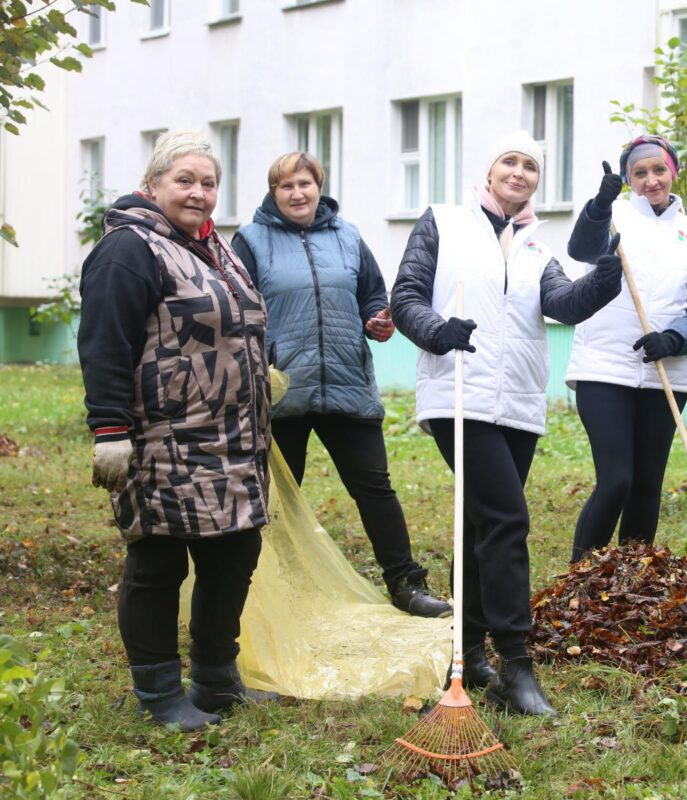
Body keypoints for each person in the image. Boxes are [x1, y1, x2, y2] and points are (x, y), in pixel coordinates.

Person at [390, 131, 621, 716]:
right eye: (509, 162)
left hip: (517, 400)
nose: (519, 172)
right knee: (507, 519)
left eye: (530, 166)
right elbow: (407, 295)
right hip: (458, 394)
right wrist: (438, 330)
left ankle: (469, 654)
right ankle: (517, 667)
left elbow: (563, 304)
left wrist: (607, 276)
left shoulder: (535, 245)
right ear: (489, 170)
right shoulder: (443, 222)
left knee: (482, 526)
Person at [78, 131, 278, 731]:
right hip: (164, 439)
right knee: (158, 564)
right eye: (184, 180)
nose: (198, 192)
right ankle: (159, 692)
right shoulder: (128, 249)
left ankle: (215, 678)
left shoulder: (215, 247)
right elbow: (104, 343)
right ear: (153, 183)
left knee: (234, 554)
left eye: (208, 183)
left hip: (234, 441)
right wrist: (109, 428)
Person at [231, 153, 450, 619]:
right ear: (273, 192)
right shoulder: (250, 241)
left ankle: (405, 583)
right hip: (282, 390)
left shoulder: (348, 237)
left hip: (347, 383)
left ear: (319, 186)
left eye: (305, 184)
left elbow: (372, 295)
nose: (297, 193)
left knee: (375, 488)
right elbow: (237, 309)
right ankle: (258, 593)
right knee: (273, 498)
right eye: (286, 186)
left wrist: (377, 320)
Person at [564, 135, 687, 563]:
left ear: (674, 172)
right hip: (604, 367)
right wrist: (600, 204)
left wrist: (675, 337)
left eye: (659, 170)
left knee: (647, 484)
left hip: (665, 372)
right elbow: (580, 248)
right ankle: (580, 580)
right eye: (640, 172)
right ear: (628, 179)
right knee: (616, 481)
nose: (651, 180)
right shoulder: (612, 218)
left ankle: (632, 581)